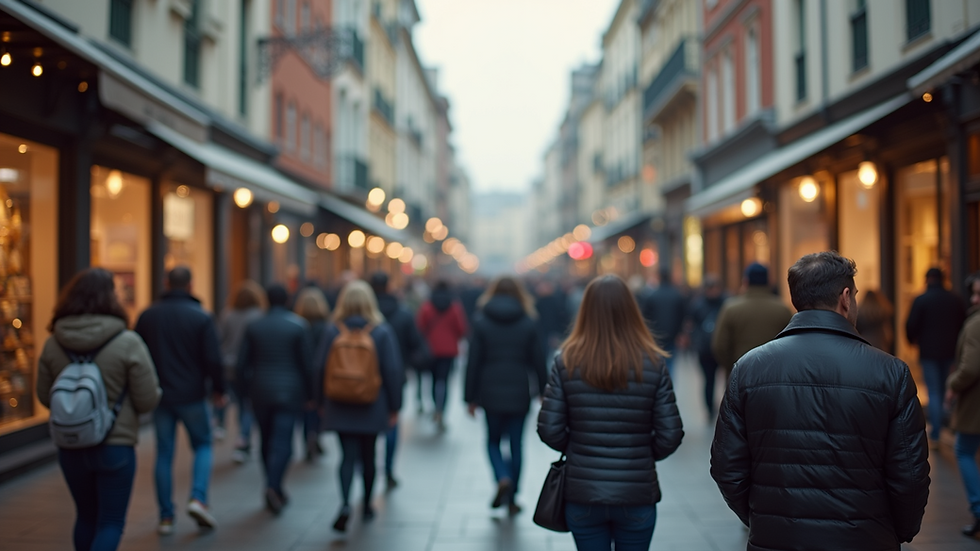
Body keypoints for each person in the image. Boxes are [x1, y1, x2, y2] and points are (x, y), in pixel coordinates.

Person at [711, 251, 930, 550]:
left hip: (778, 538)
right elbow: (910, 474)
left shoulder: (748, 369)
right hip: (864, 539)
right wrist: (898, 530)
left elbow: (727, 466)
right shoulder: (890, 372)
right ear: (845, 298)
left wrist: (762, 517)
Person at [537, 275, 683, 550]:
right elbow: (671, 433)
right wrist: (642, 453)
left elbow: (548, 428)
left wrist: (577, 449)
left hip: (583, 492)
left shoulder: (565, 361)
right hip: (636, 491)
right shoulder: (653, 363)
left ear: (585, 311)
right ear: (631, 310)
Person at [36, 268, 161, 551]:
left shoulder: (53, 343)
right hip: (115, 445)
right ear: (111, 298)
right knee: (111, 522)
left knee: (85, 517)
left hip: (71, 444)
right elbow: (147, 400)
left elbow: (45, 397)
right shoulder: (128, 342)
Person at [135, 266, 224, 534]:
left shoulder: (148, 316)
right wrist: (219, 390)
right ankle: (198, 498)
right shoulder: (201, 317)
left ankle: (165, 516)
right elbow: (213, 359)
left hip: (161, 396)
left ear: (166, 283)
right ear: (190, 285)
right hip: (192, 396)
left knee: (164, 453)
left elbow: (137, 355)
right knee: (203, 444)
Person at [317, 280, 403, 532]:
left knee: (346, 456)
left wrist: (320, 401)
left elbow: (319, 367)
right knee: (368, 456)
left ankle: (345, 503)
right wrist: (394, 406)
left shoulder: (333, 330)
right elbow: (392, 371)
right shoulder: (381, 331)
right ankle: (366, 505)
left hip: (339, 402)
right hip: (372, 403)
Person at [465, 276, 547, 515]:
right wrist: (543, 391)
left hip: (490, 389)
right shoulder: (528, 321)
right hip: (519, 389)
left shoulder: (481, 321)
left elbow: (474, 362)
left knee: (492, 441)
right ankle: (513, 496)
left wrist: (469, 397)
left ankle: (502, 476)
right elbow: (538, 360)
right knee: (516, 443)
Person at [236, 283, 315, 515]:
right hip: (290, 393)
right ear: (288, 300)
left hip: (260, 391)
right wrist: (311, 396)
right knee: (283, 443)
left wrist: (243, 393)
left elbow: (243, 364)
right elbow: (307, 365)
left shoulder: (254, 326)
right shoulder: (299, 326)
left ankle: (272, 485)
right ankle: (274, 486)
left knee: (266, 440)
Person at [370, 271, 424, 489]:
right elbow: (415, 343)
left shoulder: (366, 315)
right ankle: (389, 469)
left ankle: (369, 466)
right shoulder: (402, 313)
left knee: (368, 426)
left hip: (363, 378)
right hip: (396, 374)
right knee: (392, 420)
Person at [906, 267, 967, 447]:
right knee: (948, 388)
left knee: (934, 391)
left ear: (927, 280)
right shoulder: (955, 299)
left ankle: (936, 432)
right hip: (951, 351)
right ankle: (952, 426)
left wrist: (913, 341)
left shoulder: (921, 299)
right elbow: (963, 324)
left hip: (929, 352)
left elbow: (911, 325)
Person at [711, 263, 792, 383]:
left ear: (745, 281)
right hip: (773, 376)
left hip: (740, 375)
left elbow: (719, 346)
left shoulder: (731, 308)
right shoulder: (783, 310)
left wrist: (732, 366)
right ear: (769, 282)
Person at [216, 280, 266, 464]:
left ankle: (219, 424)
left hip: (228, 364)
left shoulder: (227, 315)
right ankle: (242, 438)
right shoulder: (259, 316)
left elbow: (220, 339)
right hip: (250, 367)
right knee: (247, 405)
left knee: (228, 397)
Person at [945, 271, 980, 537]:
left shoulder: (976, 324)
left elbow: (970, 367)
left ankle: (979, 511)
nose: (975, 299)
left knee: (963, 450)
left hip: (975, 401)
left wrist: (953, 385)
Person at [417, 280, 468, 431]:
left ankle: (435, 406)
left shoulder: (427, 307)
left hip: (431, 350)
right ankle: (442, 410)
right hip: (449, 350)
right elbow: (461, 329)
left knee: (433, 380)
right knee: (444, 381)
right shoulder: (454, 307)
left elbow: (420, 327)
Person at [293, 285, 331, 461]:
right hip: (321, 373)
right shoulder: (325, 327)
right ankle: (315, 437)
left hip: (301, 374)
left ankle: (307, 438)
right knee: (318, 407)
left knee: (305, 409)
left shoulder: (297, 325)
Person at [686, 274, 726, 419]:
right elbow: (691, 324)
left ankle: (725, 408)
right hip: (705, 349)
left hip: (722, 348)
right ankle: (710, 408)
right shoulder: (698, 304)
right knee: (709, 380)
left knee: (727, 380)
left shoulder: (726, 303)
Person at [640, 267, 688, 380]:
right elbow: (682, 316)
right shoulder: (677, 295)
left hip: (656, 335)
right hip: (672, 335)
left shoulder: (652, 296)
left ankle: (661, 384)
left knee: (658, 363)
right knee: (671, 363)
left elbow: (646, 317)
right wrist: (680, 332)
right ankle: (669, 386)